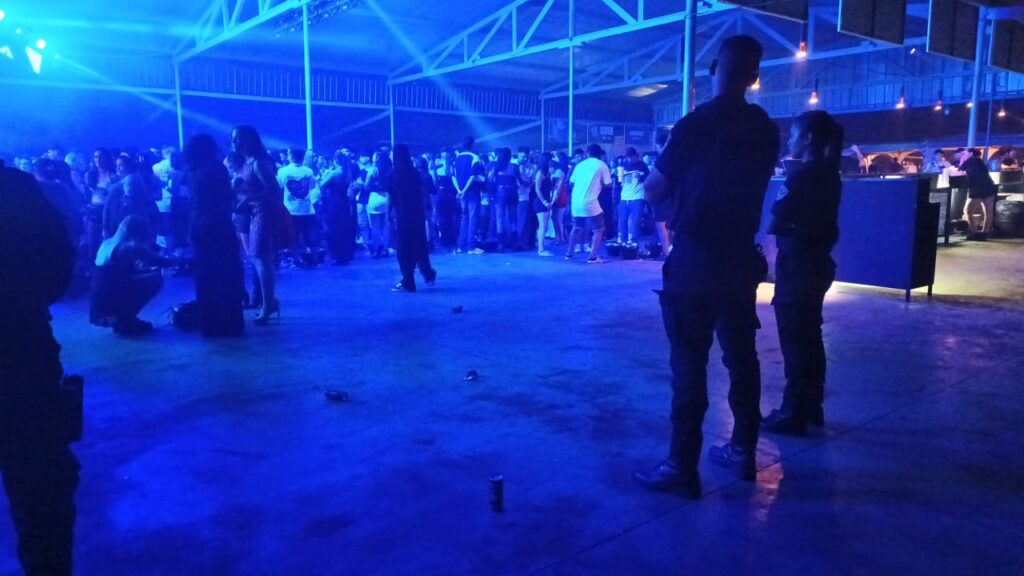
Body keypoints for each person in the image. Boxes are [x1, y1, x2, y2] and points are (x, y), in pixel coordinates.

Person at [636, 35, 780, 498]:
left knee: (689, 362)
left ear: (714, 68)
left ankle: (682, 465)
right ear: (754, 77)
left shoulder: (695, 124)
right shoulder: (765, 129)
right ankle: (743, 450)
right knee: (742, 358)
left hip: (696, 258)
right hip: (739, 257)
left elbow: (654, 188)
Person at [0, 165, 81, 576]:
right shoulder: (14, 188)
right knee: (40, 488)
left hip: (20, 350)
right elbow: (57, 266)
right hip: (20, 351)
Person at [761, 111, 844, 437]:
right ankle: (811, 406)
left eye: (794, 135)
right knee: (810, 336)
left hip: (796, 267)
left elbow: (774, 221)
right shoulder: (830, 174)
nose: (789, 141)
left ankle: (792, 412)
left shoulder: (800, 177)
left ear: (807, 139)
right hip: (817, 264)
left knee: (794, 340)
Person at [185, 134, 245, 337]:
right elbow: (227, 197)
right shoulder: (216, 168)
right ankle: (230, 322)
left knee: (205, 275)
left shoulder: (191, 170)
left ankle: (210, 323)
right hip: (218, 224)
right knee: (227, 272)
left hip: (197, 224)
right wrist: (235, 186)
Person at [233, 125, 284, 325]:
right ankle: (268, 301)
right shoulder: (248, 162)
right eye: (233, 139)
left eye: (238, 138)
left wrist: (248, 198)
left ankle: (268, 304)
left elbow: (274, 190)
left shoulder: (258, 163)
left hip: (263, 214)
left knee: (261, 258)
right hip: (254, 214)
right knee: (259, 258)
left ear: (250, 140)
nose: (234, 142)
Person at [90, 216, 173, 335]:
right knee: (156, 279)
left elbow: (114, 274)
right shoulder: (131, 247)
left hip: (99, 305)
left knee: (149, 275)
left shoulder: (107, 243)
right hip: (110, 303)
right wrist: (188, 259)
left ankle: (123, 319)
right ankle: (126, 320)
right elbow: (162, 262)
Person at [389, 144, 437, 292]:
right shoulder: (415, 173)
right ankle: (428, 274)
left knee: (403, 248)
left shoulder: (392, 175)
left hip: (403, 215)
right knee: (420, 245)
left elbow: (392, 198)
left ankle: (408, 280)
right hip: (417, 214)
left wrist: (390, 214)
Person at [565, 143, 612, 263]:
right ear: (600, 154)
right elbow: (608, 184)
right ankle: (592, 256)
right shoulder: (602, 165)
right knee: (599, 229)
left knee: (576, 227)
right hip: (590, 201)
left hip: (576, 201)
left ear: (588, 153)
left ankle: (569, 253)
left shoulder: (579, 165)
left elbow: (571, 183)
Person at [277, 148, 321, 264]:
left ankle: (297, 261)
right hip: (308, 210)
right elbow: (312, 186)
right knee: (311, 237)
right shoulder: (308, 171)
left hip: (290, 211)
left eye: (288, 154)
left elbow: (280, 186)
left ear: (291, 156)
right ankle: (315, 260)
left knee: (293, 238)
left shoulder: (283, 171)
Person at [320, 151, 356, 265]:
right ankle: (346, 255)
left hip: (334, 202)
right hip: (344, 201)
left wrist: (325, 174)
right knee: (344, 228)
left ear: (335, 160)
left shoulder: (334, 173)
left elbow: (322, 184)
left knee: (334, 229)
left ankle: (337, 255)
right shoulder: (348, 172)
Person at [454, 137, 486, 255]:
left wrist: (459, 190)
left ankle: (461, 246)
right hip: (472, 192)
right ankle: (471, 246)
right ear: (472, 144)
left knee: (464, 217)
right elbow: (473, 176)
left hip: (461, 192)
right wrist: (465, 190)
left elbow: (453, 176)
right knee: (473, 218)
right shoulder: (475, 157)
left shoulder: (457, 158)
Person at [957, 148, 997, 240]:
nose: (962, 156)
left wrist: (962, 161)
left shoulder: (970, 161)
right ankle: (985, 233)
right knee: (988, 211)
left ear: (971, 153)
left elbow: (959, 171)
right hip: (989, 186)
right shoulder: (979, 161)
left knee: (968, 211)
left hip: (977, 188)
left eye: (964, 154)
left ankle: (974, 232)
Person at [616, 147, 650, 245]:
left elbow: (648, 179)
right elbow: (618, 183)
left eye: (632, 157)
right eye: (628, 157)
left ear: (636, 156)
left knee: (635, 221)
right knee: (622, 220)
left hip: (637, 197)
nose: (630, 159)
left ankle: (633, 241)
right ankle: (623, 240)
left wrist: (641, 177)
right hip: (624, 196)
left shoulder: (642, 165)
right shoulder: (623, 165)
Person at [490, 147, 518, 251]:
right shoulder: (514, 166)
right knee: (513, 219)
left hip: (500, 193)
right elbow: (519, 181)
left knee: (499, 219)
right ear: (510, 156)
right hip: (512, 192)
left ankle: (501, 244)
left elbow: (491, 180)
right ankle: (514, 243)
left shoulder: (496, 166)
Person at [365, 151, 392, 258]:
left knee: (375, 227)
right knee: (386, 225)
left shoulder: (372, 170)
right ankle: (385, 249)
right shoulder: (390, 170)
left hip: (374, 197)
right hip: (387, 197)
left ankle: (376, 251)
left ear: (376, 159)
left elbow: (367, 186)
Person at [533, 152, 556, 256]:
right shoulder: (540, 173)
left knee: (543, 226)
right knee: (543, 226)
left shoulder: (545, 173)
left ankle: (541, 248)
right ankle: (541, 249)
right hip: (541, 202)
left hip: (544, 201)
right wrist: (545, 202)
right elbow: (537, 189)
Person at [516, 147, 538, 250]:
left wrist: (528, 183)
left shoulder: (531, 167)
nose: (524, 159)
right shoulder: (512, 164)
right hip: (512, 196)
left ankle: (521, 243)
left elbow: (532, 182)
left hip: (524, 196)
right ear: (518, 154)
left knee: (523, 221)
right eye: (523, 156)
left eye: (526, 157)